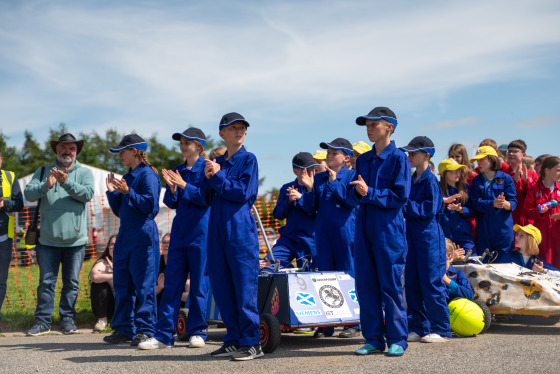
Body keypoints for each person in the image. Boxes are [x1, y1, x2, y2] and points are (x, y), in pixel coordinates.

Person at [139, 127, 210, 350]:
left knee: (199, 284)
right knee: (172, 284)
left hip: (201, 231)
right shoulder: (178, 169)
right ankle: (163, 335)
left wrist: (183, 185)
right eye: (181, 141)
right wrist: (171, 190)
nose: (182, 144)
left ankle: (197, 332)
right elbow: (172, 203)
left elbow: (206, 198)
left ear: (199, 145)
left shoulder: (206, 169)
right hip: (180, 232)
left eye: (187, 141)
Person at [200, 112, 263, 361]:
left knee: (244, 288)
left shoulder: (248, 159)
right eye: (233, 127)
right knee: (222, 287)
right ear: (221, 133)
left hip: (239, 231)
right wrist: (201, 179)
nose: (239, 131)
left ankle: (252, 342)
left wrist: (216, 176)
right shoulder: (218, 163)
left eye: (242, 128)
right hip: (216, 230)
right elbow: (204, 197)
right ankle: (233, 339)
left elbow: (242, 192)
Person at [349, 107, 410, 356]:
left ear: (390, 128)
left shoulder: (399, 158)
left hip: (388, 230)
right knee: (366, 285)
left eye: (375, 124)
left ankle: (398, 339)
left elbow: (401, 195)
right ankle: (373, 339)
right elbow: (354, 192)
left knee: (391, 284)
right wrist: (356, 192)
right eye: (367, 125)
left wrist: (369, 192)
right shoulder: (363, 159)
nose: (369, 128)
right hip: (364, 227)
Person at [24, 133, 94, 336]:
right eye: (63, 147)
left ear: (76, 151)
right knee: (46, 283)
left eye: (71, 148)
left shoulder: (85, 172)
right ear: (57, 149)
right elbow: (29, 194)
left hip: (76, 242)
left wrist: (65, 183)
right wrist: (47, 184)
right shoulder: (43, 171)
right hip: (47, 241)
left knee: (71, 284)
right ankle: (43, 321)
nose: (67, 151)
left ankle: (67, 319)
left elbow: (87, 194)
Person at [103, 134, 162, 346]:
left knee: (144, 285)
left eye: (123, 151)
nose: (120, 155)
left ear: (135, 151)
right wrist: (112, 193)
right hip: (126, 234)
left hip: (143, 233)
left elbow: (151, 208)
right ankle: (124, 328)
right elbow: (120, 211)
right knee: (122, 284)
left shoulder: (148, 175)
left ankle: (146, 330)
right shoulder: (127, 177)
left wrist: (128, 192)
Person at [301, 137, 360, 339]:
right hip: (323, 233)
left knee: (348, 274)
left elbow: (350, 201)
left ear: (346, 158)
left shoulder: (353, 175)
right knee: (325, 276)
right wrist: (308, 188)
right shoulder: (318, 178)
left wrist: (335, 182)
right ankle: (327, 324)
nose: (329, 156)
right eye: (328, 153)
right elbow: (310, 208)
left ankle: (354, 324)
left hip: (345, 232)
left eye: (334, 153)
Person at [400, 136, 451, 344]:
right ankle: (418, 327)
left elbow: (428, 209)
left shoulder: (430, 180)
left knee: (431, 282)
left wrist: (404, 204)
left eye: (414, 153)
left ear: (427, 155)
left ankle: (442, 329)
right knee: (412, 282)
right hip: (412, 236)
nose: (410, 156)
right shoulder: (411, 179)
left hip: (429, 237)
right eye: (409, 153)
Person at [266, 152, 318, 269]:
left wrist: (301, 197)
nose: (312, 173)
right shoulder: (286, 188)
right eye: (307, 170)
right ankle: (285, 273)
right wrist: (289, 201)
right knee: (269, 263)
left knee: (310, 272)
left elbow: (314, 210)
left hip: (310, 240)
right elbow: (278, 214)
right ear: (296, 171)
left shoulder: (318, 188)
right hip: (288, 239)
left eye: (314, 169)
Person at [469, 146, 517, 258]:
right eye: (477, 160)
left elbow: (513, 202)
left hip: (503, 230)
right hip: (483, 231)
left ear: (492, 159)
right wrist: (492, 204)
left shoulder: (507, 178)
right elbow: (475, 203)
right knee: (484, 266)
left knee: (504, 265)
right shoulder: (476, 180)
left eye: (481, 159)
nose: (478, 163)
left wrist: (506, 204)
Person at [523, 156, 560, 268]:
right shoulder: (535, 189)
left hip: (558, 233)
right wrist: (539, 212)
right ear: (547, 170)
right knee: (543, 265)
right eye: (558, 170)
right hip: (541, 234)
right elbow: (526, 211)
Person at [0, 149, 24, 321]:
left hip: (4, 239)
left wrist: (4, 203)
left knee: (1, 281)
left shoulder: (9, 176)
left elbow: (19, 203)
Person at [438, 158, 476, 254]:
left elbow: (473, 211)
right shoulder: (437, 189)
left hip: (465, 236)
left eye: (458, 170)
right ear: (443, 174)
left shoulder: (465, 188)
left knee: (472, 261)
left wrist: (461, 209)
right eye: (453, 171)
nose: (458, 173)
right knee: (448, 265)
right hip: (445, 238)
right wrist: (443, 200)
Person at [506, 140, 538, 226]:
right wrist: (514, 182)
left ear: (523, 155)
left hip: (528, 219)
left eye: (515, 151)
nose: (511, 154)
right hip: (509, 218)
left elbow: (536, 196)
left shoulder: (532, 174)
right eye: (509, 151)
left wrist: (526, 182)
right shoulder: (503, 174)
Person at [89, 235, 116, 331]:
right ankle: (102, 320)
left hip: (125, 302)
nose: (114, 246)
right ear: (108, 247)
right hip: (109, 304)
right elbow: (95, 276)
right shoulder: (103, 262)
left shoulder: (130, 261)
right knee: (98, 284)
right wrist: (117, 274)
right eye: (112, 244)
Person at [155, 233, 170, 312]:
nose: (166, 245)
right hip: (157, 304)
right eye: (164, 242)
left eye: (169, 243)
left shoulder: (180, 264)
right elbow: (147, 293)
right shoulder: (155, 263)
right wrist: (159, 287)